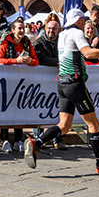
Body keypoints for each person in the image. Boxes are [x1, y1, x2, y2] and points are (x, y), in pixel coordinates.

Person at [24, 9, 99, 173]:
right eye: (83, 19)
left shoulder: (63, 34)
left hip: (62, 82)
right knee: (93, 122)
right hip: (74, 83)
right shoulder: (76, 33)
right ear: (78, 20)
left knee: (64, 126)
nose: (85, 21)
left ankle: (37, 142)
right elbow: (88, 53)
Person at [0, 20, 38, 153]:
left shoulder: (27, 42)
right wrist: (16, 61)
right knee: (6, 111)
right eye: (19, 28)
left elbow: (36, 60)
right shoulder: (6, 43)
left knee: (20, 110)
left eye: (23, 28)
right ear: (12, 30)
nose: (21, 31)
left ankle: (19, 140)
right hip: (7, 82)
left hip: (23, 83)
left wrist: (30, 61)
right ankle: (5, 140)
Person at [32, 15, 67, 149]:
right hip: (41, 81)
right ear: (45, 29)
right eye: (49, 28)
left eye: (54, 29)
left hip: (59, 81)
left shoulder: (62, 41)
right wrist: (57, 63)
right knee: (39, 108)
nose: (51, 31)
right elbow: (40, 57)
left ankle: (58, 139)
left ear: (58, 30)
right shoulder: (39, 42)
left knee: (60, 110)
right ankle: (38, 138)